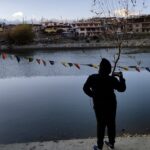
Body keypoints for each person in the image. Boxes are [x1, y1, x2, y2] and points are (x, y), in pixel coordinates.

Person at [83, 58, 126, 150]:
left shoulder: (92, 78)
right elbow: (122, 89)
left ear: (100, 68)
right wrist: (121, 78)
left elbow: (85, 88)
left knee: (100, 125)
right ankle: (111, 144)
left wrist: (93, 95)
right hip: (111, 105)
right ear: (109, 69)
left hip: (98, 106)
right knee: (111, 124)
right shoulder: (112, 79)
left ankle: (99, 147)